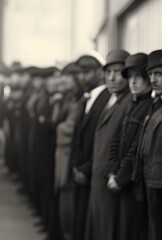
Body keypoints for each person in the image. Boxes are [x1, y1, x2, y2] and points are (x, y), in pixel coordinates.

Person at [105, 52, 153, 240]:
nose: (133, 82)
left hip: (133, 184)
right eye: (130, 77)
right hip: (120, 181)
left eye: (138, 77)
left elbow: (136, 148)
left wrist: (120, 177)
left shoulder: (149, 104)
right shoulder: (133, 103)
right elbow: (116, 140)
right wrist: (111, 171)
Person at [85, 49, 132, 240]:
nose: (112, 78)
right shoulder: (112, 99)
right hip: (98, 182)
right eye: (108, 72)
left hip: (110, 183)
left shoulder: (130, 102)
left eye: (118, 72)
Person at [132, 49, 162, 240]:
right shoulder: (156, 103)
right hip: (148, 178)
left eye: (159, 74)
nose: (153, 80)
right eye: (150, 75)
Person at [70, 55, 111, 240]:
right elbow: (78, 136)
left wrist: (85, 169)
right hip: (82, 170)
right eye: (79, 73)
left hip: (93, 171)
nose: (81, 77)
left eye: (86, 72)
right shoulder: (86, 98)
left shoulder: (106, 97)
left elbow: (104, 140)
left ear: (99, 73)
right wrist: (76, 166)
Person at [54, 62, 83, 240]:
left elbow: (69, 130)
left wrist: (59, 128)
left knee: (69, 212)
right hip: (62, 158)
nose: (62, 80)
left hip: (69, 159)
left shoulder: (80, 100)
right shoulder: (68, 98)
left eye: (67, 76)